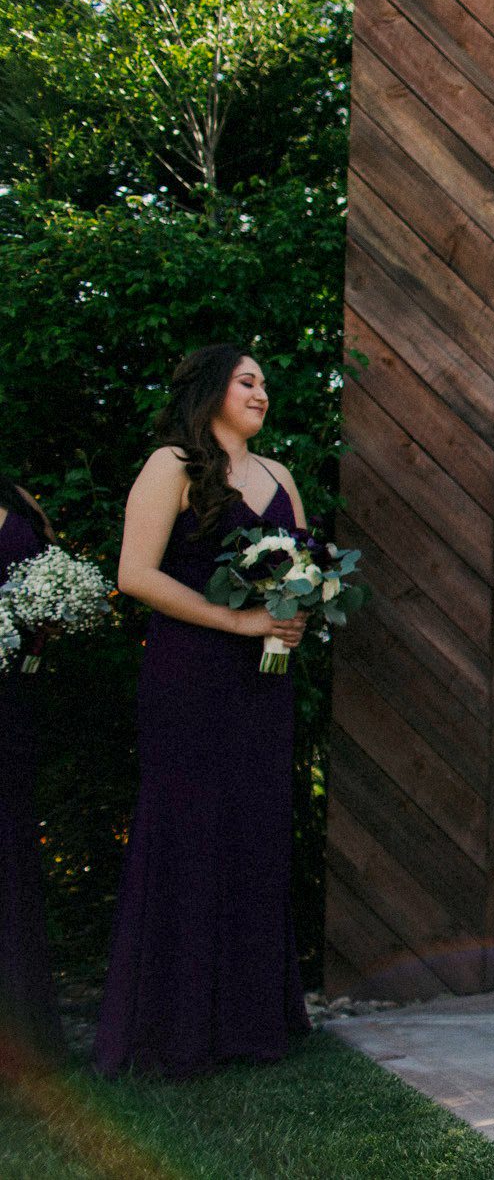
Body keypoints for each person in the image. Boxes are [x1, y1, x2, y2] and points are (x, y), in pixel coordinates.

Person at [94, 345, 313, 1076]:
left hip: (263, 681)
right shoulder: (171, 465)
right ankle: (173, 1029)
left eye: (265, 383)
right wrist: (240, 622)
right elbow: (134, 573)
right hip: (190, 676)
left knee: (255, 829)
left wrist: (292, 613)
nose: (262, 392)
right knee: (188, 828)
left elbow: (302, 569)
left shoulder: (280, 476)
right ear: (212, 388)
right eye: (247, 380)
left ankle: (250, 1024)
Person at [0, 470, 64, 1073]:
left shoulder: (19, 503)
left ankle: (24, 1039)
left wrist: (49, 623)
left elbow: (48, 600)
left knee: (10, 859)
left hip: (10, 709)